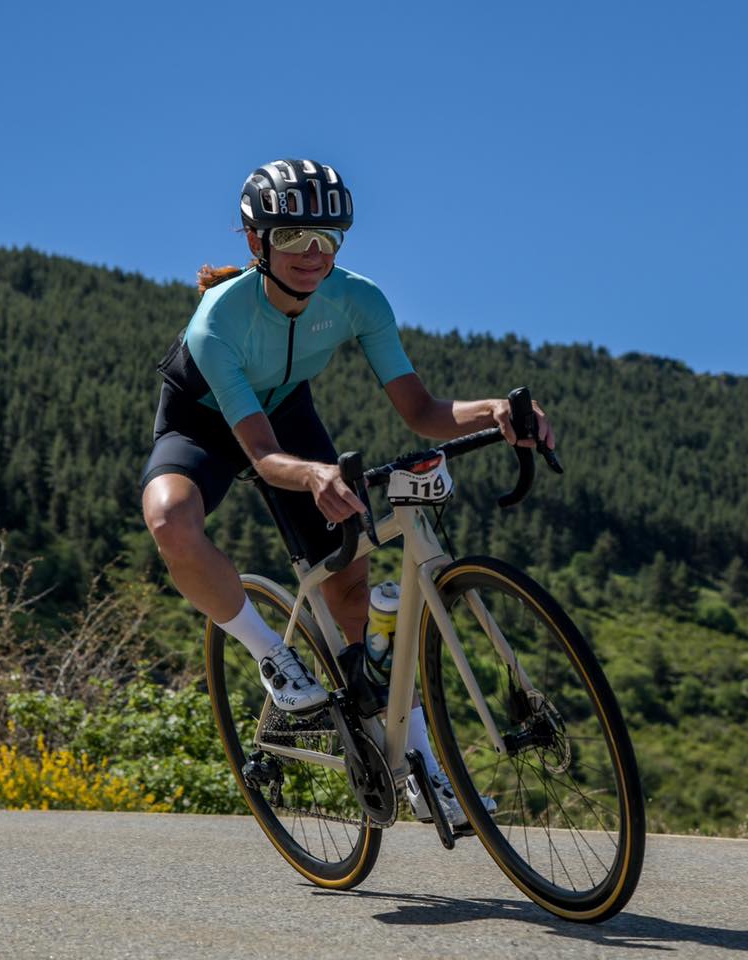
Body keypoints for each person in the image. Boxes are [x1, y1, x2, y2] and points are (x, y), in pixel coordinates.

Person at [141, 158, 553, 826]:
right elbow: (266, 456)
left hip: (288, 417)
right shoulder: (218, 320)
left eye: (329, 237)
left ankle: (424, 771)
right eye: (296, 237)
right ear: (257, 242)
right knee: (170, 521)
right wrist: (313, 474)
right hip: (207, 424)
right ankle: (272, 657)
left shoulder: (360, 300)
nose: (314, 253)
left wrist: (495, 413)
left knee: (353, 593)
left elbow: (422, 411)